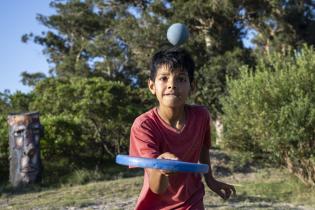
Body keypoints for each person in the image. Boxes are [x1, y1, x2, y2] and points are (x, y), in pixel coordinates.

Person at [129, 47, 236, 210]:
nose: (172, 85)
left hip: (192, 200)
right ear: (151, 86)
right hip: (156, 205)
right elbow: (157, 188)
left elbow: (202, 147)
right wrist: (161, 165)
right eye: (164, 78)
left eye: (181, 79)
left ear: (192, 87)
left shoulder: (201, 116)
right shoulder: (144, 126)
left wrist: (210, 180)